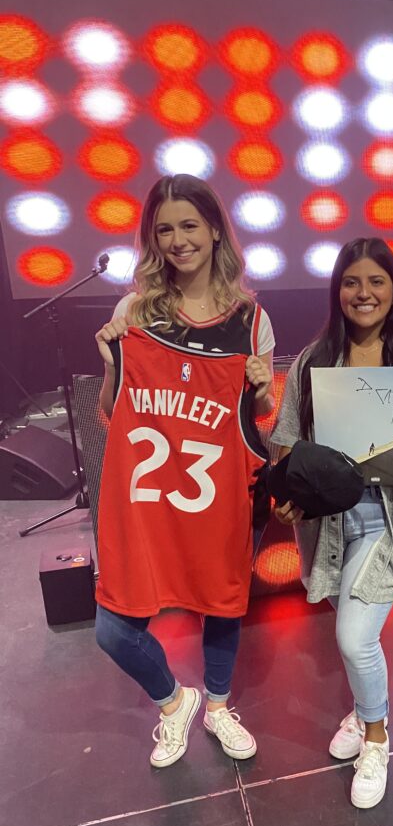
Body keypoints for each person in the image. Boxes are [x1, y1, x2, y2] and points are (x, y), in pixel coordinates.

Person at [271, 237, 393, 809]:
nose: (364, 293)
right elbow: (286, 441)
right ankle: (361, 711)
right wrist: (286, 494)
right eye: (352, 282)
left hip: (391, 520)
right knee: (353, 632)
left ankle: (377, 739)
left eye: (376, 281)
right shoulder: (312, 359)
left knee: (355, 639)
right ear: (338, 292)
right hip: (326, 526)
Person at [94, 174, 276, 769]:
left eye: (189, 225)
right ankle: (176, 703)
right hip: (148, 504)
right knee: (112, 630)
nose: (177, 240)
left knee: (222, 608)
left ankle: (219, 705)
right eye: (164, 229)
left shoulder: (251, 320)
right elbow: (110, 409)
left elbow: (262, 418)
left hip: (219, 501)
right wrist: (111, 361)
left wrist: (257, 386)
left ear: (215, 230)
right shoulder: (135, 313)